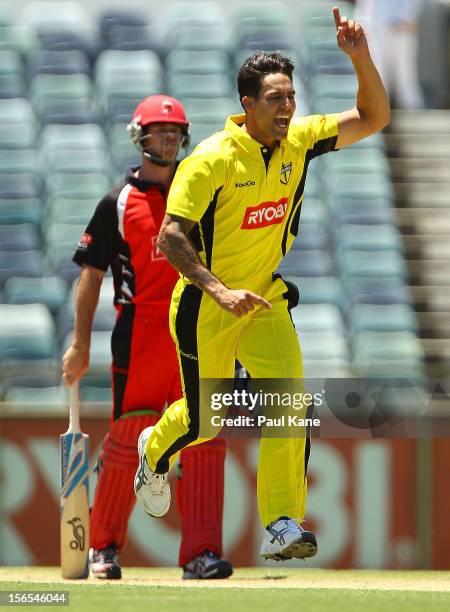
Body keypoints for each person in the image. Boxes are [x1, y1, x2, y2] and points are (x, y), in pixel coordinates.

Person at [134, 6, 390, 562]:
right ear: (246, 105)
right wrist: (220, 291)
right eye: (275, 99)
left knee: (288, 403)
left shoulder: (298, 140)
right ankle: (152, 450)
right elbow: (171, 239)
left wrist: (361, 58)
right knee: (208, 420)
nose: (288, 107)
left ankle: (280, 522)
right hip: (205, 301)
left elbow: (373, 117)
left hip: (264, 297)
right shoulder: (209, 160)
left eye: (291, 96)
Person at [62, 94, 233, 580]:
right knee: (127, 436)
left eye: (175, 133)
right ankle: (103, 547)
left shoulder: (201, 195)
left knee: (203, 438)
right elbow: (91, 277)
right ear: (140, 136)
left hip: (197, 328)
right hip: (139, 332)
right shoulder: (115, 202)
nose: (168, 140)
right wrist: (80, 344)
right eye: (159, 132)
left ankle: (200, 555)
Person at [355, 0, 425, 109]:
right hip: (377, 32)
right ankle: (378, 109)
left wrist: (407, 18)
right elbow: (365, 9)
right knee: (378, 73)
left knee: (405, 74)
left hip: (401, 32)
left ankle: (413, 110)